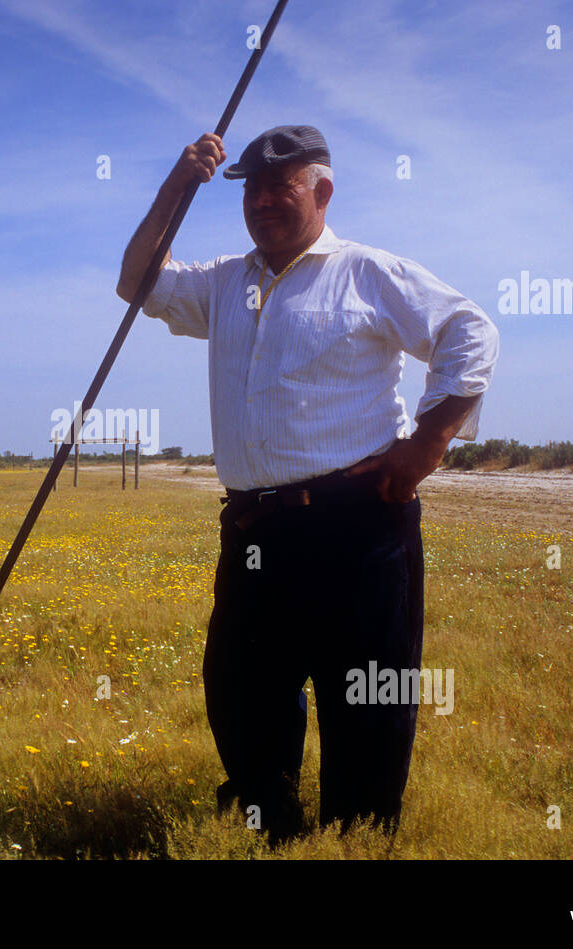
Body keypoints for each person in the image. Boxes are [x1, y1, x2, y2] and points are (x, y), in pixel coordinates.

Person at [117, 126, 499, 843]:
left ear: (321, 191)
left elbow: (469, 330)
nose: (261, 201)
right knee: (241, 698)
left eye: (279, 186)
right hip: (255, 532)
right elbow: (136, 281)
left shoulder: (367, 272)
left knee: (369, 712)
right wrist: (178, 184)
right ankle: (272, 838)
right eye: (250, 189)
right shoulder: (226, 282)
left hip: (360, 526)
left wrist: (426, 444)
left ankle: (355, 844)